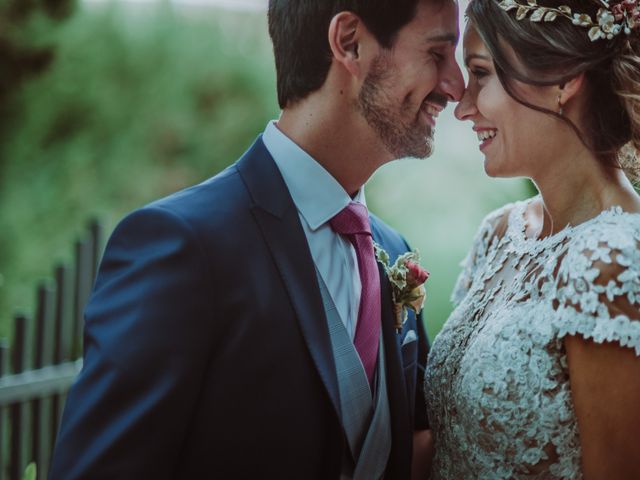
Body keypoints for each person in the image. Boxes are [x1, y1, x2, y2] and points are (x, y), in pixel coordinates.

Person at [49, 0, 464, 479]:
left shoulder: (391, 250)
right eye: (437, 54)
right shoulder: (181, 247)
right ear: (349, 43)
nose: (455, 85)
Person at [424, 0, 640, 478]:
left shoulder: (613, 262)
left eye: (480, 73)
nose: (462, 106)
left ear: (563, 78)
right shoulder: (499, 233)